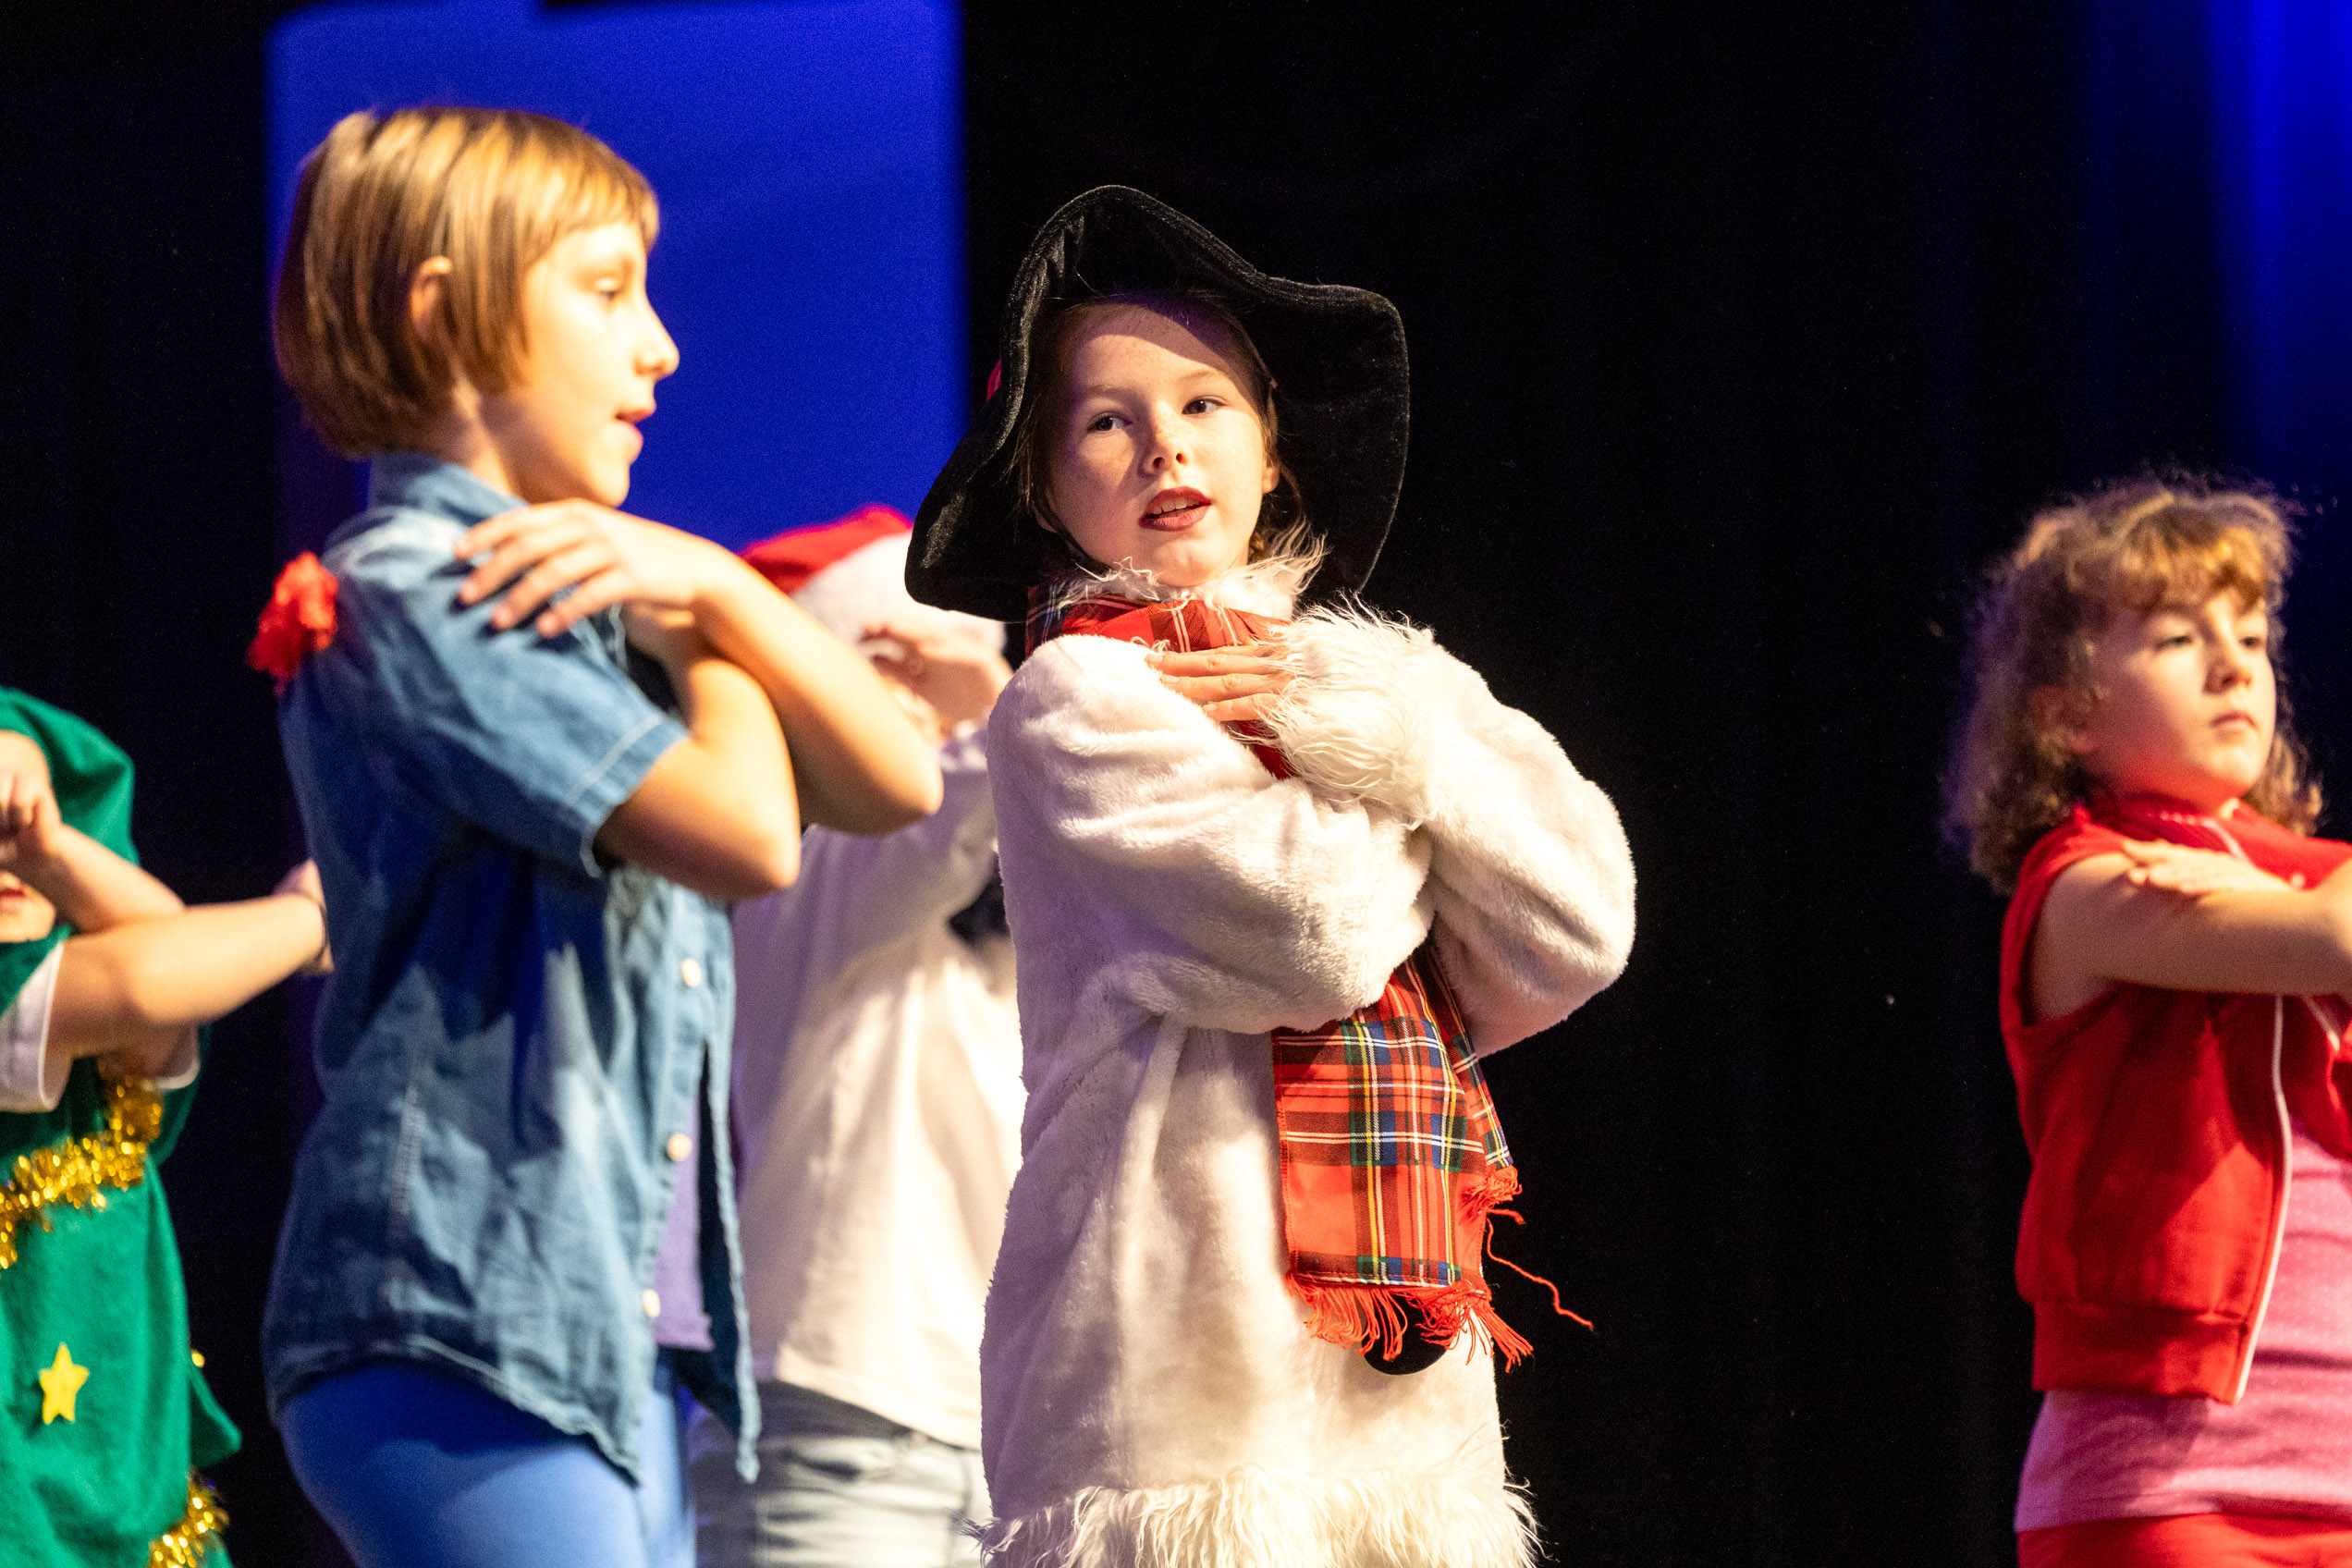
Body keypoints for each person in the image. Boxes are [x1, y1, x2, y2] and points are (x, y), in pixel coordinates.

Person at [905, 187, 1637, 1568]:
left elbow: (1582, 920)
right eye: (1106, 421)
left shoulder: (1380, 681)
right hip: (1177, 1356)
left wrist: (1398, 736)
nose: (1164, 445)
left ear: (1273, 448)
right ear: (1046, 485)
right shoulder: (1074, 698)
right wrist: (1414, 794)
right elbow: (1316, 936)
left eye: (1205, 404)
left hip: (1397, 1382)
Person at [259, 106, 940, 1568]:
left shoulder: (591, 598)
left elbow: (899, 785)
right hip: (460, 1320)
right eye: (607, 289)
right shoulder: (422, 588)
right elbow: (754, 835)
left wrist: (717, 588)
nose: (661, 348)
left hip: (588, 1329)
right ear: (443, 313)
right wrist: (697, 623)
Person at [1945, 479, 2352, 1567]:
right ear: (2067, 713)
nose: (2234, 666)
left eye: (2253, 637)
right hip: (2172, 1499)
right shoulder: (2086, 886)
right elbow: (2338, 940)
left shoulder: (2309, 881)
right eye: (2179, 639)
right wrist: (2311, 904)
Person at [687, 506, 1019, 1566]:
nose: (931, 715)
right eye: (902, 680)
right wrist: (1002, 717)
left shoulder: (1007, 943)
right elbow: (937, 813)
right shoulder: (805, 863)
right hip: (833, 1423)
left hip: (1001, 1441)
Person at [0, 688, 329, 1566]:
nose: (9, 851)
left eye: (24, 817)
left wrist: (50, 849)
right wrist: (309, 917)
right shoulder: (17, 1004)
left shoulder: (98, 1045)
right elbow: (148, 982)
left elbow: (170, 955)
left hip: (131, 1497)